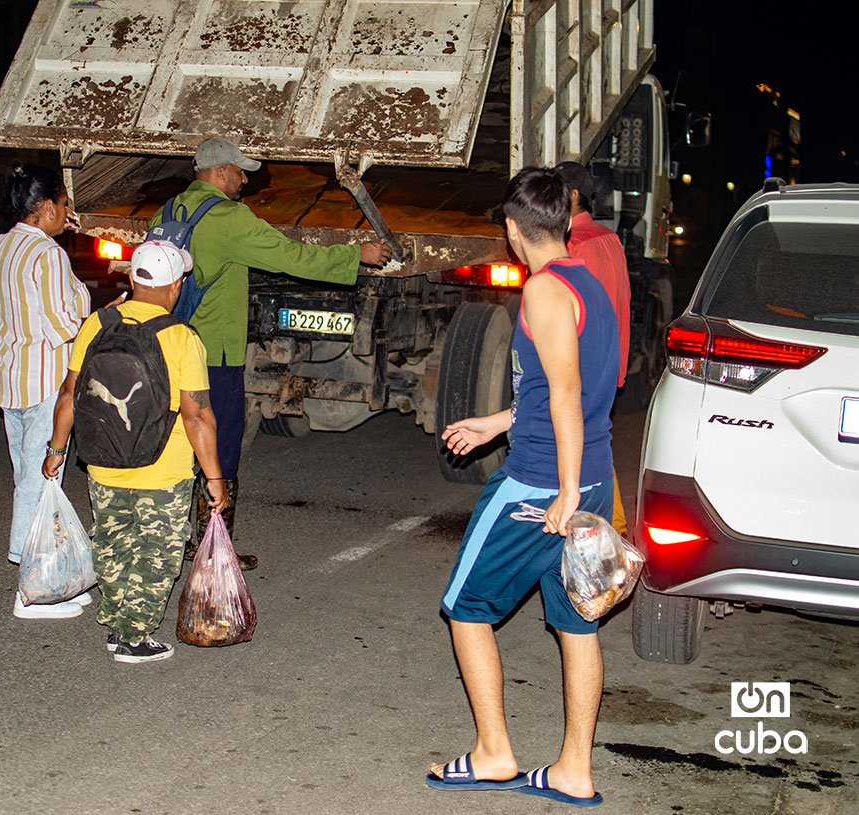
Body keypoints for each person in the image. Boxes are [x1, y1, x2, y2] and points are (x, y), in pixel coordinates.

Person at [428, 167, 618, 807]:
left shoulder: (541, 291)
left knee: (466, 607)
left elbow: (565, 393)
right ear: (565, 219)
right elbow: (569, 388)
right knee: (577, 624)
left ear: (513, 230)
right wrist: (496, 421)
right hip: (592, 474)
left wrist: (560, 490)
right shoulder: (588, 284)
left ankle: (493, 753)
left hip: (540, 483)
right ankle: (573, 770)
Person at [152, 137, 393, 570]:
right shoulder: (229, 217)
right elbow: (290, 256)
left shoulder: (168, 211)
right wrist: (355, 256)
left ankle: (180, 541)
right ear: (221, 171)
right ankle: (216, 549)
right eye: (240, 171)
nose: (245, 179)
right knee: (220, 446)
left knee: (178, 444)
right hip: (214, 354)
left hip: (170, 344)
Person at [42, 240, 228, 663]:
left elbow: (69, 393)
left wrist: (56, 448)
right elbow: (197, 416)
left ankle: (116, 622)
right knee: (157, 550)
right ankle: (135, 636)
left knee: (112, 541)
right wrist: (214, 477)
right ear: (176, 286)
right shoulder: (182, 337)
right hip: (163, 468)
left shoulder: (96, 324)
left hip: (104, 461)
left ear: (131, 277)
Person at [0, 160, 92, 620]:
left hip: (11, 379)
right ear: (47, 206)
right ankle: (30, 588)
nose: (68, 213)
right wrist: (87, 299)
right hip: (45, 381)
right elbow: (64, 324)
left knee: (31, 475)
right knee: (40, 477)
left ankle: (55, 572)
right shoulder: (48, 255)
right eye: (65, 204)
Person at [554, 161, 631, 536]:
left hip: (581, 369)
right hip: (607, 363)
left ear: (570, 196)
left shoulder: (572, 245)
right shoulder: (609, 238)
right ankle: (607, 529)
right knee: (593, 444)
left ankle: (609, 532)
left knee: (577, 449)